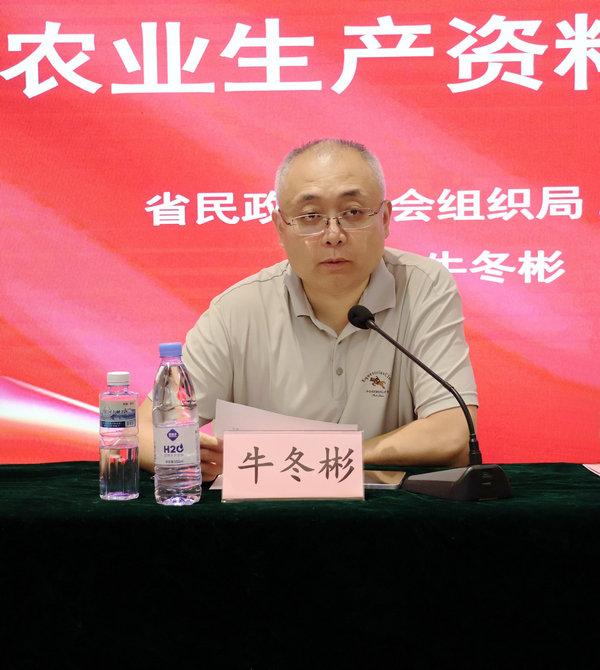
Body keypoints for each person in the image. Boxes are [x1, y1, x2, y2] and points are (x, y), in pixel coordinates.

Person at [138, 138, 478, 479]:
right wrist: (184, 454)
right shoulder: (238, 310)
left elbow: (451, 429)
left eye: (353, 212)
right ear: (280, 228)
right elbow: (146, 430)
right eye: (311, 217)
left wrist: (323, 458)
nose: (333, 235)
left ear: (385, 219)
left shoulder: (424, 287)